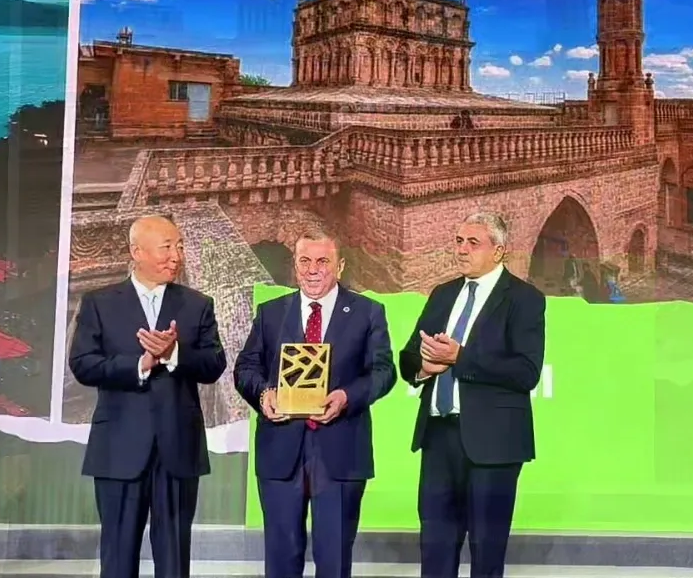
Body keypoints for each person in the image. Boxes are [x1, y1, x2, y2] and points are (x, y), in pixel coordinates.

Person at [69, 214, 227, 578]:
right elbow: (83, 364)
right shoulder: (99, 303)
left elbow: (214, 364)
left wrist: (173, 354)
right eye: (167, 247)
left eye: (180, 247)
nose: (176, 256)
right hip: (119, 448)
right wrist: (139, 364)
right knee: (118, 557)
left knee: (174, 559)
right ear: (136, 251)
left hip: (178, 448)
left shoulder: (197, 304)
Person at [233, 230, 397, 578]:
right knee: (281, 559)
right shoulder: (271, 313)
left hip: (340, 452)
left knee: (333, 559)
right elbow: (246, 368)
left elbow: (384, 372)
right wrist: (263, 395)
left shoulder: (368, 312)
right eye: (304, 261)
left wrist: (347, 397)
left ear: (340, 266)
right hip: (281, 450)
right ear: (294, 265)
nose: (312, 270)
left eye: (322, 261)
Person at [399, 211, 546, 578]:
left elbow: (526, 371)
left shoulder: (524, 299)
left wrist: (460, 358)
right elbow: (407, 357)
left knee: (486, 553)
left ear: (498, 251)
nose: (462, 250)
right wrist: (423, 367)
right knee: (435, 549)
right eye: (459, 241)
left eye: (472, 243)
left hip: (494, 447)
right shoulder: (443, 294)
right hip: (438, 439)